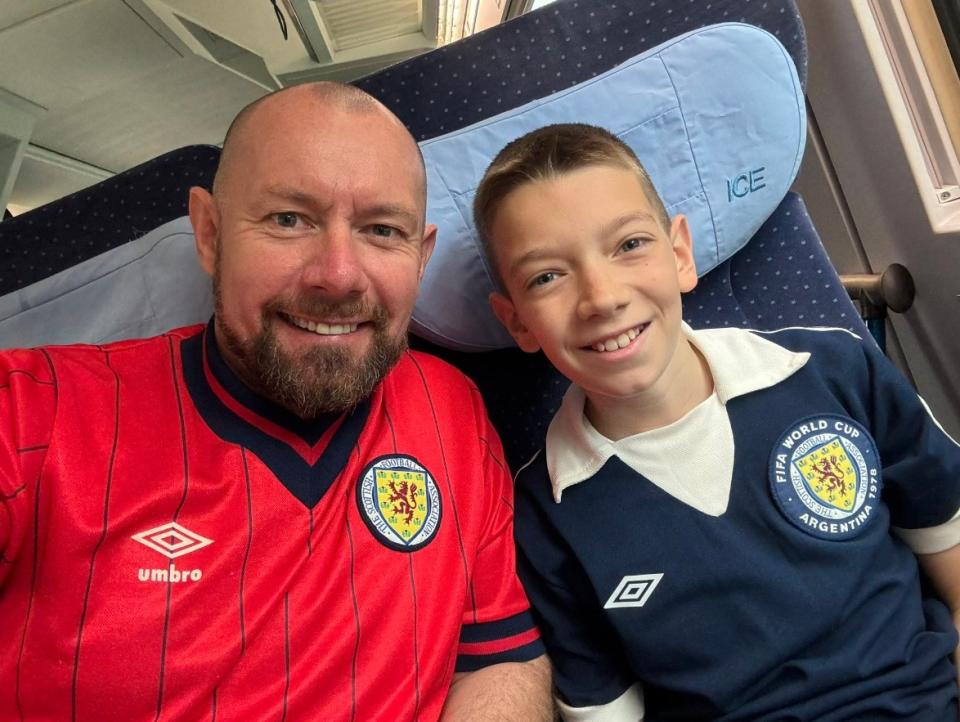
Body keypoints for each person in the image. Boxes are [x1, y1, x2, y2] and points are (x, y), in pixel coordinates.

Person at [0, 82, 551, 722]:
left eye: (381, 230)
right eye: (290, 219)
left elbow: (495, 655)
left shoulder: (452, 411)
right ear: (209, 234)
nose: (339, 274)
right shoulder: (33, 414)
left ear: (420, 257)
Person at [473, 122, 960, 721]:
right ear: (517, 321)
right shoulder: (545, 515)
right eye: (547, 276)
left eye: (629, 245)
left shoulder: (831, 369)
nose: (602, 297)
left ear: (680, 253)